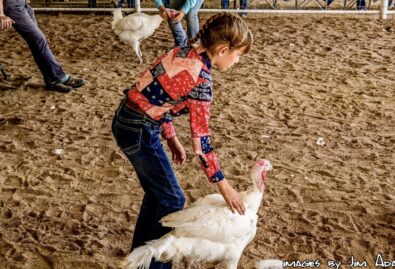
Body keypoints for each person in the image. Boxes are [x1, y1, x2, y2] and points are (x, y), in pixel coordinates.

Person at [112, 12, 252, 269]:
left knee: (158, 195)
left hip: (129, 121)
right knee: (172, 199)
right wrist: (224, 185)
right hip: (139, 129)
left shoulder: (184, 51)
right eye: (238, 55)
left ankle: (139, 259)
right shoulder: (202, 80)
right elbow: (202, 140)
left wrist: (171, 136)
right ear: (222, 50)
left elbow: (156, 94)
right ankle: (155, 263)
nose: (237, 61)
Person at [0, 0, 85, 93]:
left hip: (23, 4)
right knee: (39, 39)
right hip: (13, 7)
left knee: (36, 43)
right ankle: (60, 76)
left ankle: (52, 81)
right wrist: (1, 14)